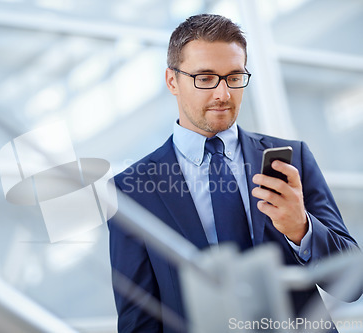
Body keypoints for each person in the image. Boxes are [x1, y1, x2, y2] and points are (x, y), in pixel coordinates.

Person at [108, 14, 359, 333]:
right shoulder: (132, 190)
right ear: (173, 81)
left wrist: (301, 228)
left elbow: (353, 283)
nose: (223, 94)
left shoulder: (292, 159)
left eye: (234, 77)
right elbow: (137, 320)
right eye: (205, 78)